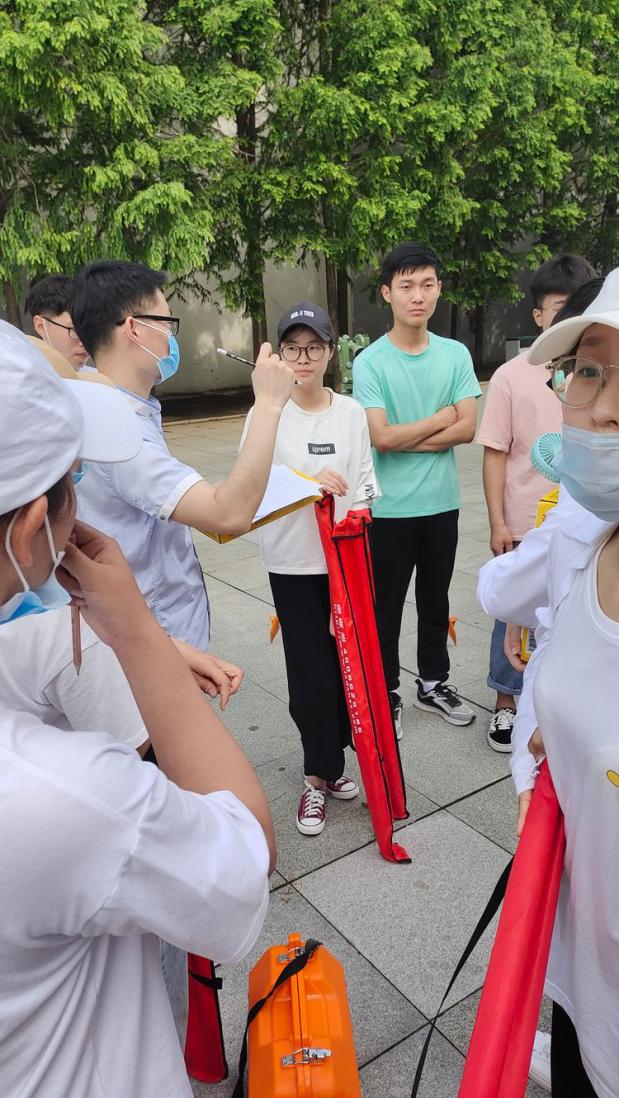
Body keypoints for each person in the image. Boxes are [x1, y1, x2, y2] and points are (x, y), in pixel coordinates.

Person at [0, 321, 275, 1098]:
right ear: (33, 527)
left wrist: (101, 632)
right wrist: (141, 636)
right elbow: (242, 859)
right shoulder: (63, 796)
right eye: (74, 479)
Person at [478, 270, 619, 1096]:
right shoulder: (592, 537)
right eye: (589, 370)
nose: (601, 408)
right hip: (579, 982)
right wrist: (558, 737)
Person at [70, 259, 295, 649]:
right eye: (167, 322)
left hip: (149, 628)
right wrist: (270, 404)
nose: (171, 340)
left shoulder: (107, 404)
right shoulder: (119, 429)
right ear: (134, 328)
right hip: (155, 639)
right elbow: (228, 514)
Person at [240, 302, 379, 835]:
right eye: (293, 348)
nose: (303, 358)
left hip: (345, 559)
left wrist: (357, 530)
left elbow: (364, 485)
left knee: (349, 666)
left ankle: (333, 761)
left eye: (314, 347)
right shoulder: (266, 413)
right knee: (310, 672)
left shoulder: (350, 412)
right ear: (279, 355)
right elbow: (249, 488)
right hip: (292, 562)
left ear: (330, 351)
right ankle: (316, 777)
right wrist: (306, 483)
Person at [353, 241, 481, 734]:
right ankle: (385, 689)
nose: (418, 295)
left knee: (435, 599)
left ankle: (433, 683)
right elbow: (380, 438)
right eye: (406, 286)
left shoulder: (455, 354)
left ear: (439, 289)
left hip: (441, 504)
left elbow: (467, 429)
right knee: (385, 606)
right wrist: (439, 419)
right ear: (387, 293)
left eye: (427, 284)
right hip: (388, 509)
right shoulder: (371, 362)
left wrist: (410, 435)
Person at [476, 255, 596, 752]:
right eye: (559, 309)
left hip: (587, 521)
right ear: (538, 315)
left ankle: (561, 708)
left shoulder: (599, 374)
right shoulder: (511, 376)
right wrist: (497, 521)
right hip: (526, 520)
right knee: (514, 615)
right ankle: (506, 702)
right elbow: (495, 452)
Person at [25, 273, 89, 369]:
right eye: (74, 330)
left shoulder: (96, 375)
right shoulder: (23, 376)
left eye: (89, 330)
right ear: (41, 326)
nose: (84, 342)